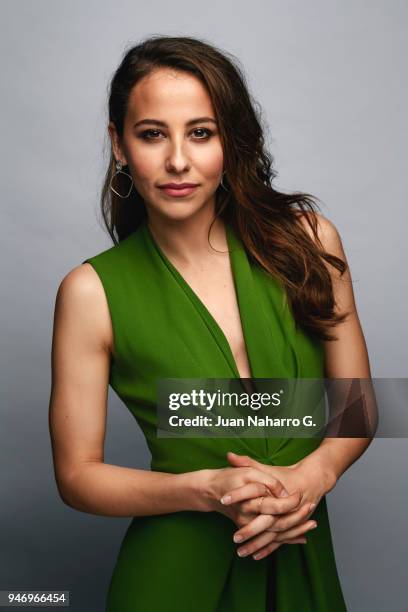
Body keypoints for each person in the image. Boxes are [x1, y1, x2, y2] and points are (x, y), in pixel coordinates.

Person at [49, 35, 373, 611]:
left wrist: (312, 477)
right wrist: (203, 490)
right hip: (173, 576)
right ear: (119, 145)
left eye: (202, 132)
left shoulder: (308, 241)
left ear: (231, 140)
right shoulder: (91, 292)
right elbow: (76, 476)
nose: (178, 160)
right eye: (152, 134)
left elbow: (358, 406)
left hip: (300, 553)